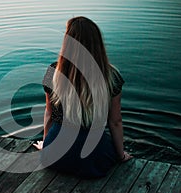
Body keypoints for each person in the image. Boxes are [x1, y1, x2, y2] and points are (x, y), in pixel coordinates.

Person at [33, 16, 133, 178]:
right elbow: (115, 122)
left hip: (55, 157)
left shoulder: (54, 72)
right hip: (93, 159)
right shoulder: (111, 76)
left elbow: (49, 115)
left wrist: (46, 145)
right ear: (97, 44)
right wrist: (121, 155)